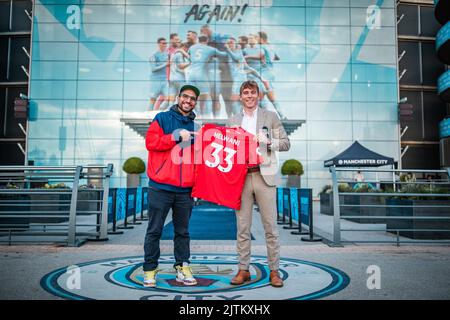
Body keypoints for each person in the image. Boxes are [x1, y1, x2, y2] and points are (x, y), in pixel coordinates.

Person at [226, 80, 290, 288]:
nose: (249, 96)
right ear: (241, 96)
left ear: (258, 95)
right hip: (241, 178)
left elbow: (286, 144)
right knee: (242, 227)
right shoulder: (232, 121)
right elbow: (227, 150)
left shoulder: (270, 117)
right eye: (245, 93)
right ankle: (243, 270)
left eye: (253, 93)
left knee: (270, 227)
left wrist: (268, 141)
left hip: (265, 177)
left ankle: (274, 271)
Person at [143, 84, 201, 288]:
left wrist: (197, 186)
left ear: (195, 102)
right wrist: (175, 136)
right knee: (154, 231)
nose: (188, 101)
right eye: (185, 96)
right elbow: (151, 143)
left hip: (185, 191)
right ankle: (150, 270)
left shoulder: (197, 128)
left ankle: (182, 267)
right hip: (160, 187)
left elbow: (197, 159)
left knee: (183, 232)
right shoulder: (162, 118)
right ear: (178, 98)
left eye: (192, 98)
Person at [149, 37, 169, 110]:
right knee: (153, 99)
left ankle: (159, 111)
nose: (165, 45)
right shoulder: (153, 55)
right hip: (155, 80)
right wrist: (165, 64)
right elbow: (153, 69)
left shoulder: (167, 54)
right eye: (163, 43)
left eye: (166, 43)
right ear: (158, 44)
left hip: (164, 80)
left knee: (169, 98)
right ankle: (148, 116)